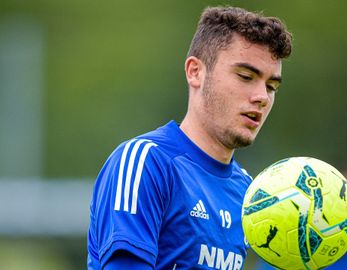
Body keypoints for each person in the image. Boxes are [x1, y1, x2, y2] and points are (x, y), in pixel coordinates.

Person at [87, 6, 292, 270]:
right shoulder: (146, 162)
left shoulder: (249, 192)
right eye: (245, 76)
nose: (262, 97)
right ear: (195, 72)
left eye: (271, 86)